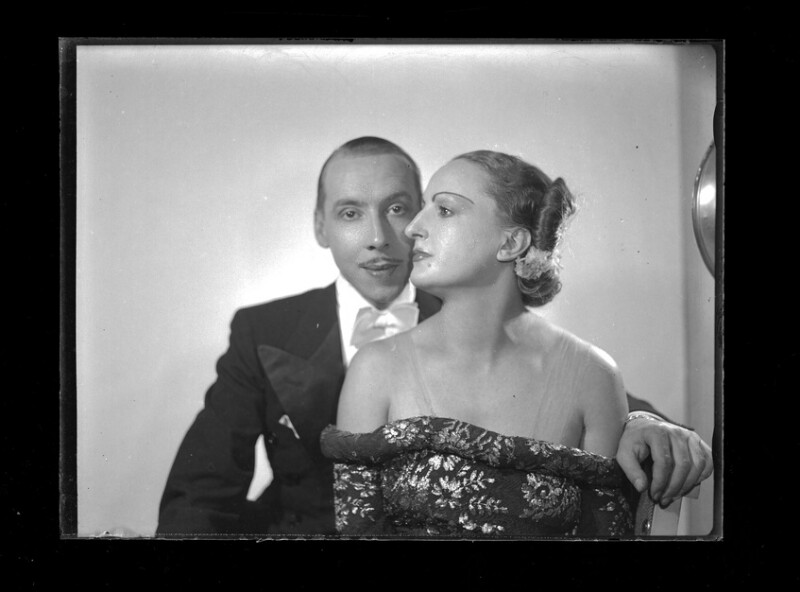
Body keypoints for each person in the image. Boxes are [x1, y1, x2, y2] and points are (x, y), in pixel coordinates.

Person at [157, 137, 712, 537]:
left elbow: (585, 398)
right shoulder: (263, 329)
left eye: (399, 208)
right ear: (320, 226)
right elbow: (201, 492)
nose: (381, 237)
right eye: (349, 213)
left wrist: (645, 421)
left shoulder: (476, 308)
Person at [320, 150, 698, 537]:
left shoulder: (591, 373)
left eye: (445, 210)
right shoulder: (374, 368)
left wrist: (644, 421)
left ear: (511, 242)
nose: (412, 228)